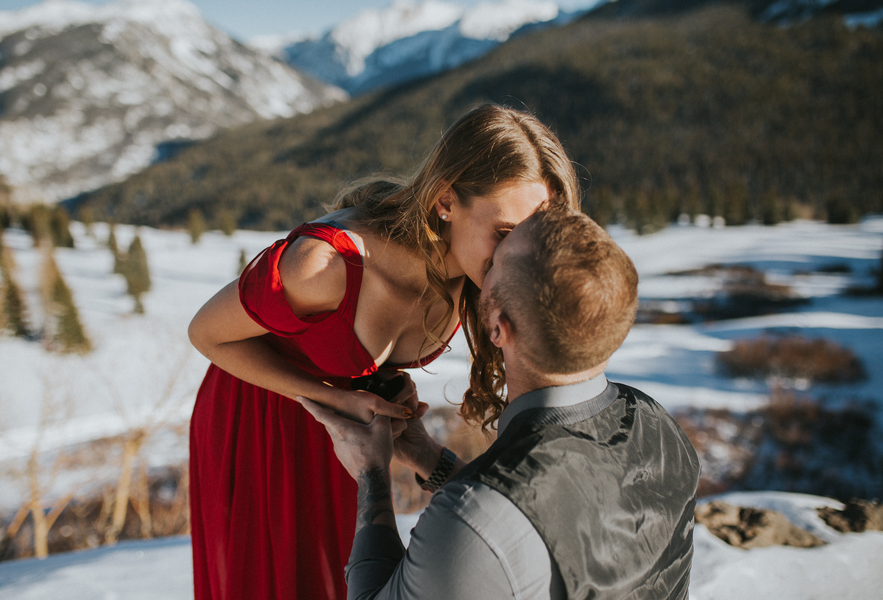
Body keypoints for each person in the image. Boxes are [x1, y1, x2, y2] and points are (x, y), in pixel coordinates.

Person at [186, 103, 582, 600]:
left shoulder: (473, 273)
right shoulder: (324, 266)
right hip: (261, 422)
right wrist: (327, 398)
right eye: (503, 233)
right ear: (445, 202)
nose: (517, 254)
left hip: (349, 439)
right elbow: (206, 333)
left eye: (533, 235)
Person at [299, 205, 701, 599]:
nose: (481, 270)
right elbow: (542, 515)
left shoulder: (475, 523)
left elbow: (496, 527)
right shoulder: (659, 425)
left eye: (494, 265)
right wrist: (426, 455)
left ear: (498, 328)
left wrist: (372, 475)